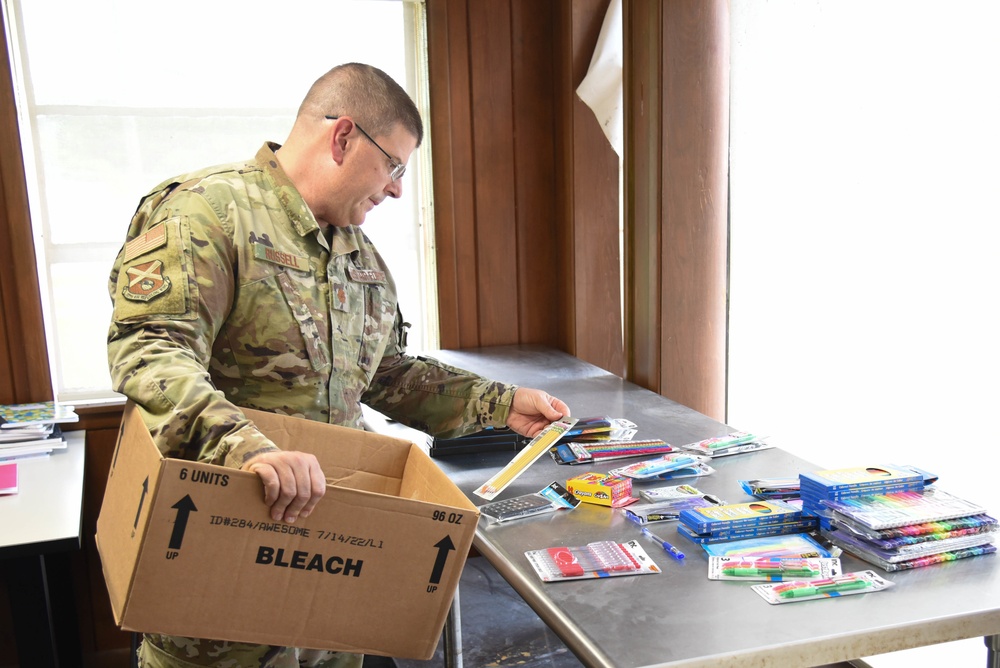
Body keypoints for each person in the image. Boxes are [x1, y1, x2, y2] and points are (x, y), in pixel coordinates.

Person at [107, 62, 570, 668]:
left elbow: (386, 374)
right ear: (344, 137)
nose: (399, 189)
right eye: (395, 166)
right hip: (219, 562)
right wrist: (246, 448)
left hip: (328, 562)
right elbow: (151, 350)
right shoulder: (207, 214)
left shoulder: (362, 257)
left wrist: (501, 403)